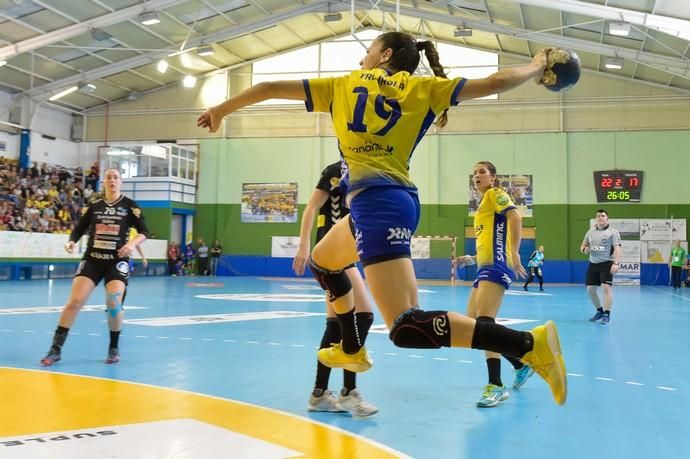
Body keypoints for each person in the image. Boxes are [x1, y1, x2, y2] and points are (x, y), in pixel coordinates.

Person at [198, 32, 567, 406]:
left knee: (406, 326)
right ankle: (351, 348)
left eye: (368, 52)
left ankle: (528, 344)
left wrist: (221, 110)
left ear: (385, 54)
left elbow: (268, 86)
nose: (362, 59)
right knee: (323, 261)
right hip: (381, 203)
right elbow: (495, 82)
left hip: (378, 205)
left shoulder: (343, 85)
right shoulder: (423, 88)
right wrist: (537, 66)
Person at [293, 160, 378, 417]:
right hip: (330, 253)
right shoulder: (336, 170)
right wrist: (303, 245)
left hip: (346, 252)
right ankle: (348, 393)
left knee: (336, 324)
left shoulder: (370, 169)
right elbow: (312, 206)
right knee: (363, 315)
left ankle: (320, 394)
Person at [40, 168, 148, 366]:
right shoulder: (94, 205)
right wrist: (71, 241)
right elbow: (79, 229)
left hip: (117, 261)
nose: (112, 180)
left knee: (114, 303)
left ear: (121, 182)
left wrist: (131, 245)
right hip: (92, 259)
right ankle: (55, 349)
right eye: (108, 177)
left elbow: (144, 232)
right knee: (74, 302)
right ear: (103, 182)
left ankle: (113, 347)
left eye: (116, 177)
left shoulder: (129, 206)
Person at [455, 161, 533, 408]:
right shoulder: (482, 205)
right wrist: (472, 258)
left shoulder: (495, 194)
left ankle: (496, 385)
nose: (477, 175)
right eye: (475, 172)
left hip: (497, 267)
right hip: (485, 266)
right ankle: (519, 364)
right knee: (472, 324)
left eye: (482, 172)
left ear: (493, 177)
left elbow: (515, 216)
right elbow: (492, 239)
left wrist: (516, 252)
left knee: (484, 325)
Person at [580, 209, 621, 325]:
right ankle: (599, 311)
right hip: (593, 263)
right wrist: (584, 249)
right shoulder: (590, 232)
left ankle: (607, 314)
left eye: (603, 216)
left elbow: (617, 248)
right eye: (598, 216)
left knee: (606, 287)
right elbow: (583, 245)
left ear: (607, 219)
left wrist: (616, 263)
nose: (600, 217)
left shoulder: (613, 232)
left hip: (606, 263)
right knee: (590, 289)